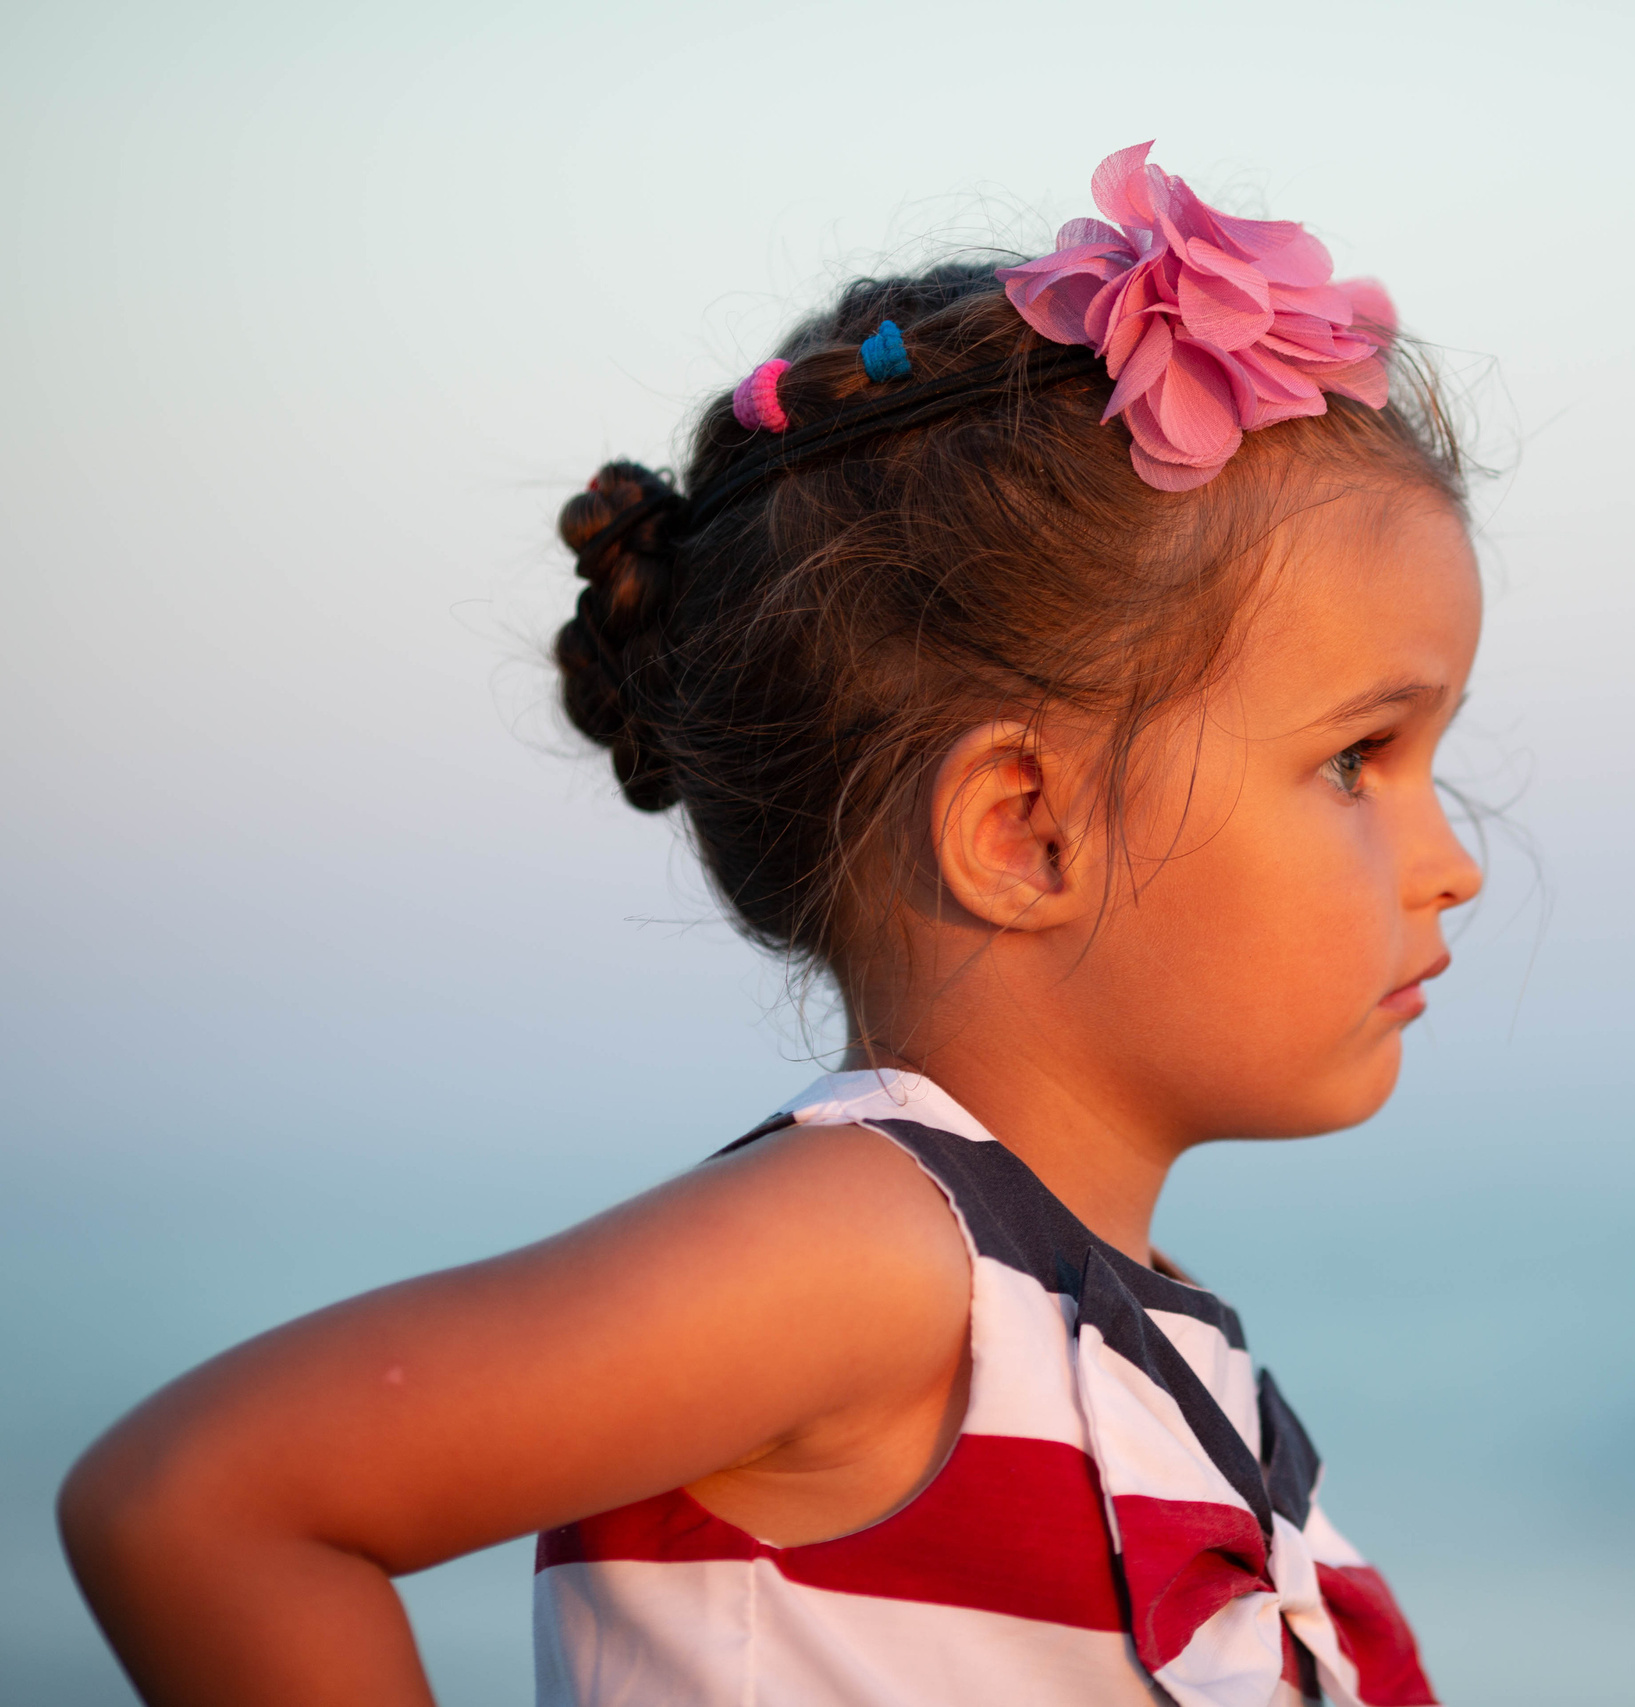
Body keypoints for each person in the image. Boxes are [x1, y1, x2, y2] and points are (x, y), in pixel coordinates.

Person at [58, 141, 1482, 1707]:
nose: (1451, 861)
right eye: (1360, 757)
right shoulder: (877, 1254)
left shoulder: (1124, 1347)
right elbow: (207, 1502)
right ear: (1027, 828)